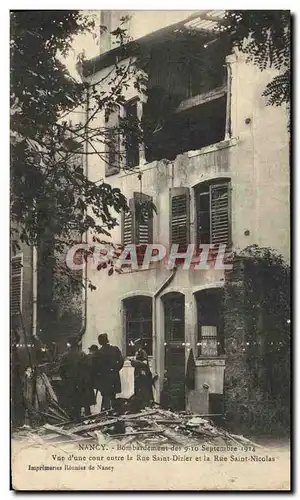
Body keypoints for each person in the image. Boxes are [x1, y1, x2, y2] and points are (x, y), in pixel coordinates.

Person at [59, 338, 95, 419]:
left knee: (72, 402)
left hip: (70, 382)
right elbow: (88, 368)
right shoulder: (83, 355)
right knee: (83, 401)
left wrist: (65, 379)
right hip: (81, 383)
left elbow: (61, 370)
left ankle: (73, 418)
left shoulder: (65, 356)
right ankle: (86, 417)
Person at [93, 334, 124, 411]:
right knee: (113, 397)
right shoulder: (115, 349)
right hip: (114, 377)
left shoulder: (98, 353)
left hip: (104, 379)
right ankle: (113, 413)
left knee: (105, 397)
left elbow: (95, 367)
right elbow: (121, 361)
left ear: (100, 342)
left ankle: (105, 413)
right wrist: (116, 370)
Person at [130, 340, 153, 409]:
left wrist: (135, 362)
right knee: (139, 392)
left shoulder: (143, 352)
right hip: (139, 375)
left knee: (144, 392)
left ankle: (145, 406)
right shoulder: (137, 353)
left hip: (143, 376)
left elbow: (144, 363)